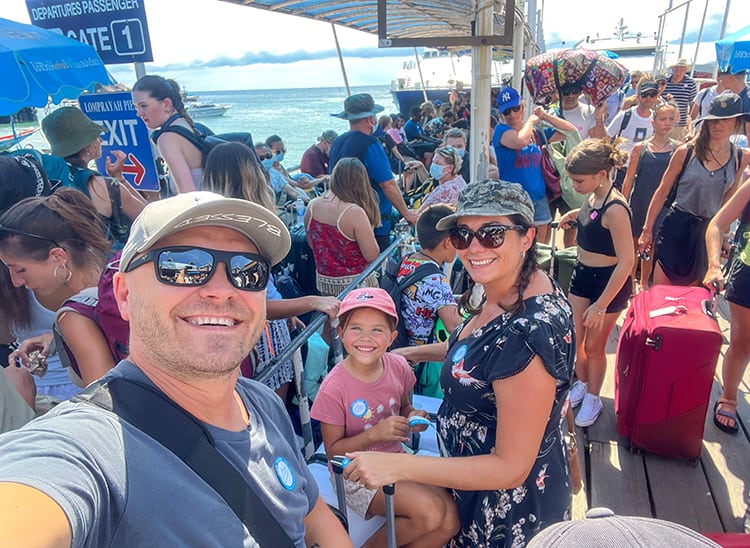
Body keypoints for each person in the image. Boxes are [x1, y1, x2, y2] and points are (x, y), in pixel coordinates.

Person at [0, 191, 350, 546]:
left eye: (247, 271)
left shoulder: (262, 404)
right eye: (182, 267)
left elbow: (313, 516)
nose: (221, 290)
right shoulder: (88, 450)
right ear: (124, 295)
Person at [342, 180, 576, 547]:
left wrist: (397, 466)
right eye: (463, 235)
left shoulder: (528, 332)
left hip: (503, 511)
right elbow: (477, 351)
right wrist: (406, 354)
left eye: (493, 234)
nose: (475, 247)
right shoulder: (512, 287)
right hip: (471, 488)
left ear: (528, 237)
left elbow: (510, 467)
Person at [310, 287, 459, 547]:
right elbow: (334, 454)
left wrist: (413, 416)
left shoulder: (398, 367)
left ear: (392, 337)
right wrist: (374, 434)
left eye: (377, 330)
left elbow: (403, 407)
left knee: (451, 521)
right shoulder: (334, 387)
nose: (366, 338)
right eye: (356, 328)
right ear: (341, 332)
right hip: (354, 475)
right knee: (431, 512)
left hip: (397, 460)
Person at [201, 142, 340, 400]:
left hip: (248, 331)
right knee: (270, 406)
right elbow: (257, 302)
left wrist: (287, 311)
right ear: (249, 176)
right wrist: (309, 302)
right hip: (262, 335)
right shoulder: (243, 236)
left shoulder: (211, 229)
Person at [0, 189, 112, 401]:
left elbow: (102, 406)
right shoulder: (114, 280)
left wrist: (23, 402)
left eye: (20, 270)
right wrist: (55, 338)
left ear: (58, 257)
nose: (16, 282)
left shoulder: (73, 316)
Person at [639, 93, 750, 287]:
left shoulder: (740, 157)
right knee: (662, 291)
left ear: (736, 122)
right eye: (713, 120)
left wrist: (723, 235)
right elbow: (662, 191)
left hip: (707, 231)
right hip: (677, 225)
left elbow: (729, 198)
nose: (717, 125)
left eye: (725, 120)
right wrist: (647, 230)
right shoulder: (686, 151)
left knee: (693, 298)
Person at [560, 139, 634, 427]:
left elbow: (626, 262)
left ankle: (593, 397)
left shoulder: (615, 209)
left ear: (601, 175)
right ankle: (582, 380)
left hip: (607, 284)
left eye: (578, 180)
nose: (574, 185)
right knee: (575, 338)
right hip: (582, 274)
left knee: (594, 347)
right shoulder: (592, 196)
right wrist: (575, 218)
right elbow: (591, 220)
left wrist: (601, 306)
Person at [42, 107, 147, 248]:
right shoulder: (103, 186)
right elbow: (149, 217)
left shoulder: (46, 181)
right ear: (86, 145)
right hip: (105, 266)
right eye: (96, 136)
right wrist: (118, 179)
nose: (101, 140)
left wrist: (116, 177)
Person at [329, 93, 418, 250]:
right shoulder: (370, 143)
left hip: (342, 218)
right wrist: (407, 214)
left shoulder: (338, 141)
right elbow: (388, 184)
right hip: (372, 223)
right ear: (371, 119)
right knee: (375, 268)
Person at [493, 86, 577, 243]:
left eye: (515, 108)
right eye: (507, 111)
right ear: (501, 114)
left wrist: (544, 116)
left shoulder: (535, 131)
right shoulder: (501, 130)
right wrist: (531, 121)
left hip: (538, 195)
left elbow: (570, 131)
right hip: (513, 197)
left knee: (541, 246)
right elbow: (519, 141)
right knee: (517, 243)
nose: (512, 114)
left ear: (522, 107)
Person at [703, 172, 750, 435]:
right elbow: (717, 224)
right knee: (742, 343)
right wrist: (714, 266)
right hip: (748, 273)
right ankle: (729, 398)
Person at [621, 102, 679, 287]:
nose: (667, 123)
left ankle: (644, 281)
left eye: (671, 119)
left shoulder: (678, 149)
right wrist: (623, 202)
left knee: (650, 243)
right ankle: (629, 280)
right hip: (639, 201)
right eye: (663, 119)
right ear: (653, 123)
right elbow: (629, 178)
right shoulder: (641, 148)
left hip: (663, 204)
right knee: (633, 241)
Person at [305, 158, 381, 296]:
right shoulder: (354, 212)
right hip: (357, 285)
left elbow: (312, 244)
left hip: (325, 283)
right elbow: (371, 255)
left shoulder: (312, 205)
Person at [397, 204, 462, 347]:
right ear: (448, 242)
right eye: (459, 239)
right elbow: (455, 326)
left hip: (399, 344)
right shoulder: (436, 280)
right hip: (421, 359)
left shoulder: (407, 261)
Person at [132, 75, 205, 193]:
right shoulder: (185, 124)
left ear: (167, 104)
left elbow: (188, 194)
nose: (139, 113)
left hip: (203, 210)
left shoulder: (167, 138)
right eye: (136, 107)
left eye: (143, 106)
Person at [603, 80, 660, 190]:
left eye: (652, 95)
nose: (648, 98)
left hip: (642, 169)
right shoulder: (625, 115)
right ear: (638, 97)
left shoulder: (656, 119)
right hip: (621, 168)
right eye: (644, 95)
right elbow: (607, 137)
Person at [416, 145, 466, 214]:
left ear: (450, 168)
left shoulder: (444, 190)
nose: (433, 165)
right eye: (433, 162)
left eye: (437, 163)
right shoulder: (459, 180)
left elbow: (418, 215)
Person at [664, 58, 698, 141]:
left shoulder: (691, 83)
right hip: (664, 122)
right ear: (672, 69)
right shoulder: (664, 82)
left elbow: (693, 104)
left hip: (680, 124)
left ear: (685, 70)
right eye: (676, 69)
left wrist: (690, 125)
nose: (678, 72)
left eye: (681, 70)